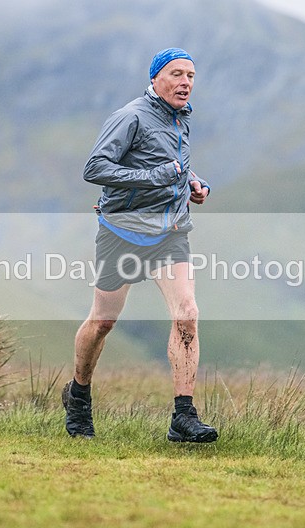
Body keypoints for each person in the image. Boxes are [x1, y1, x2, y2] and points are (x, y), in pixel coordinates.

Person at [61, 47, 217, 443]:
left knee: (187, 313)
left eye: (191, 76)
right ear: (155, 79)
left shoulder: (181, 118)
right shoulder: (129, 116)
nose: (186, 82)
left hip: (170, 231)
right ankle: (78, 395)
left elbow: (170, 161)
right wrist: (158, 177)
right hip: (123, 232)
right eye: (177, 74)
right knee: (103, 321)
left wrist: (193, 183)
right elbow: (95, 168)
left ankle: (183, 416)